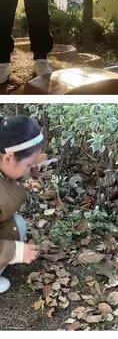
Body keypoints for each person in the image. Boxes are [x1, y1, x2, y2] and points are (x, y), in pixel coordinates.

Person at [0, 115, 43, 293]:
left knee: (18, 225)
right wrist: (15, 251)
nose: (32, 166)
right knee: (17, 230)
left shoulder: (5, 163)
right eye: (28, 164)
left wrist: (30, 169)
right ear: (9, 157)